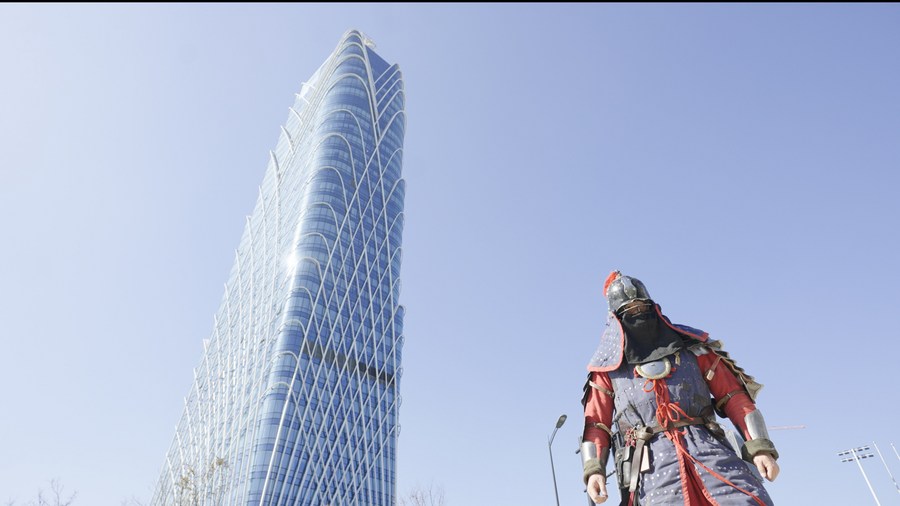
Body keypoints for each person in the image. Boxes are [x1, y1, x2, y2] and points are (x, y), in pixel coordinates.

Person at [581, 271, 780, 506]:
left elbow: (734, 396)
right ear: (616, 318)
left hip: (710, 451)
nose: (638, 313)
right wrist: (594, 471)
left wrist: (759, 447)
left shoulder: (694, 348)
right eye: (630, 311)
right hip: (652, 468)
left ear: (653, 307)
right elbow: (597, 425)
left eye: (642, 307)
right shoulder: (607, 369)